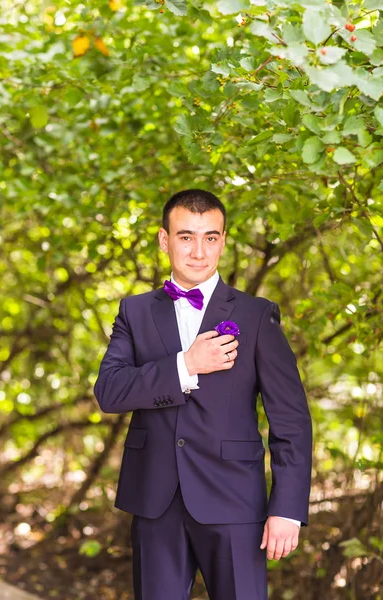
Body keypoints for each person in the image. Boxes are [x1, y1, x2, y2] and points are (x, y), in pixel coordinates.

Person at [93, 189, 313, 600]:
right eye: (186, 237)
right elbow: (109, 392)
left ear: (223, 241)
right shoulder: (134, 311)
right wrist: (185, 365)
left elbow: (291, 420)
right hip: (154, 501)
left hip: (235, 501)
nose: (199, 251)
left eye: (210, 237)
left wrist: (287, 508)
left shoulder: (256, 315)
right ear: (164, 240)